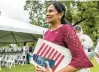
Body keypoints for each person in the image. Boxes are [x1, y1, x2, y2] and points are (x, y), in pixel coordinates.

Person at [35, 1, 93, 72]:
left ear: (60, 14)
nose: (47, 14)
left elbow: (80, 61)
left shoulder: (66, 29)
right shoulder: (47, 33)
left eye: (50, 11)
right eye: (46, 12)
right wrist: (39, 66)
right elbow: (45, 57)